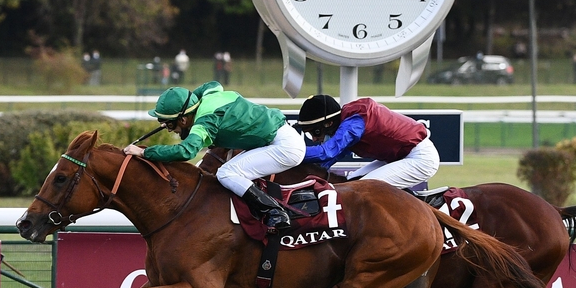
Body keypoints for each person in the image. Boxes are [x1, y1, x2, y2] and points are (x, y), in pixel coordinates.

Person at [124, 82, 305, 229]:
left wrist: (144, 152)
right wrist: (188, 102)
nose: (173, 131)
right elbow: (213, 84)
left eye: (171, 126)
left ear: (184, 119)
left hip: (285, 147)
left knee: (226, 173)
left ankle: (274, 211)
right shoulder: (210, 94)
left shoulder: (205, 122)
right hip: (278, 137)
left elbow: (185, 151)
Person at [296, 94, 440, 191]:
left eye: (314, 132)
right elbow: (327, 161)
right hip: (399, 157)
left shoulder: (355, 123)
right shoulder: (346, 123)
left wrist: (288, 153)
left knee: (363, 189)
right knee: (348, 183)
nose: (314, 139)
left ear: (328, 123)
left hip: (420, 158)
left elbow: (327, 152)